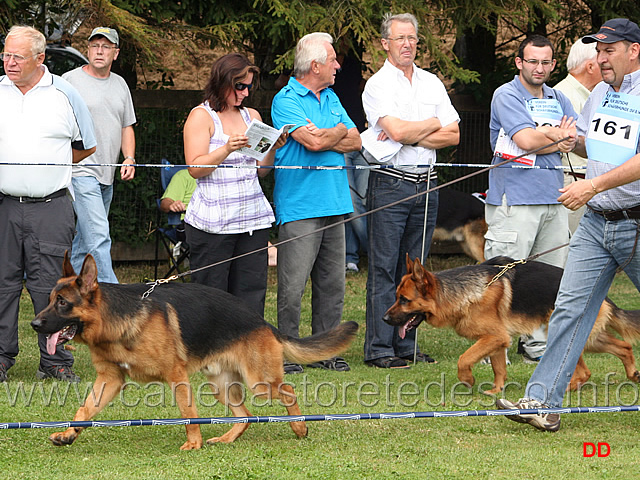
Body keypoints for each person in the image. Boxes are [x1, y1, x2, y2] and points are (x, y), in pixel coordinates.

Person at [496, 18, 640, 432]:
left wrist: (591, 185)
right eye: (598, 50)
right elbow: (591, 143)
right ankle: (541, 403)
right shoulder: (598, 93)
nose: (600, 59)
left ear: (634, 51)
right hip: (597, 225)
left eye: (608, 50)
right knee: (569, 310)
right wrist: (566, 139)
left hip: (634, 222)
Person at [361, 13, 460, 369]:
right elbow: (397, 133)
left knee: (416, 274)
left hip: (427, 184)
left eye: (412, 38)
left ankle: (406, 347)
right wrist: (431, 124)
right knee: (385, 269)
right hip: (391, 183)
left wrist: (412, 129)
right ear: (385, 43)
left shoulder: (431, 82)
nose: (407, 44)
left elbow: (454, 135)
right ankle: (379, 349)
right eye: (400, 38)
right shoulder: (377, 85)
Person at [0, 25, 97, 382]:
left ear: (40, 58)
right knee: (2, 285)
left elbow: (87, 145)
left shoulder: (65, 94)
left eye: (17, 56)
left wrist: (47, 168)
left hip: (51, 207)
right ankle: (0, 358)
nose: (9, 62)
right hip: (5, 206)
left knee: (51, 287)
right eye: (5, 54)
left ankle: (55, 362)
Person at [271, 32, 361, 374]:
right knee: (292, 286)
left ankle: (325, 351)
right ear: (314, 66)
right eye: (333, 60)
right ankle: (290, 353)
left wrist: (330, 134)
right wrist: (334, 132)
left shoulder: (332, 96)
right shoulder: (285, 99)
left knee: (332, 284)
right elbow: (310, 142)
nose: (338, 65)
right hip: (300, 205)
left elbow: (355, 139)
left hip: (335, 202)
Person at [485, 34, 578, 364]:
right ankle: (493, 350)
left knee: (550, 281)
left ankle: (538, 350)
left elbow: (577, 141)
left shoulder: (559, 98)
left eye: (545, 62)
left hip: (554, 200)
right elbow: (525, 140)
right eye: (532, 61)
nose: (539, 68)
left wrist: (556, 137)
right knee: (502, 278)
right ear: (519, 62)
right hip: (515, 201)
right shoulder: (506, 95)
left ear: (553, 65)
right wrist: (557, 136)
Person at [183, 53, 284, 317]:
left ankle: (247, 356)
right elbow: (195, 168)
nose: (245, 93)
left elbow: (261, 171)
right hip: (213, 224)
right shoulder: (201, 116)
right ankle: (209, 356)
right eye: (240, 86)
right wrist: (227, 148)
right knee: (211, 298)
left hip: (252, 220)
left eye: (250, 87)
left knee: (251, 297)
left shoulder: (252, 116)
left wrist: (272, 149)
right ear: (222, 82)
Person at [62, 27, 136, 283]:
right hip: (80, 171)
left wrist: (129, 158)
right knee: (98, 236)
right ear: (88, 50)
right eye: (95, 46)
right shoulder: (69, 81)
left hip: (108, 174)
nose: (99, 51)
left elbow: (127, 125)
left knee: (85, 240)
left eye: (106, 47)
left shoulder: (120, 84)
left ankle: (68, 294)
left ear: (115, 53)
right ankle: (116, 296)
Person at [554, 39, 601, 233]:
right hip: (571, 183)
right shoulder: (562, 95)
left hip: (586, 184)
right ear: (590, 66)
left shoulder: (592, 94)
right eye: (602, 57)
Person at [332, 42, 368, 273]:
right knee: (351, 202)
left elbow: (360, 87)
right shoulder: (326, 71)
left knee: (363, 200)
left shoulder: (353, 63)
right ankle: (365, 253)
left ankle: (353, 255)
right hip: (341, 143)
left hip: (362, 138)